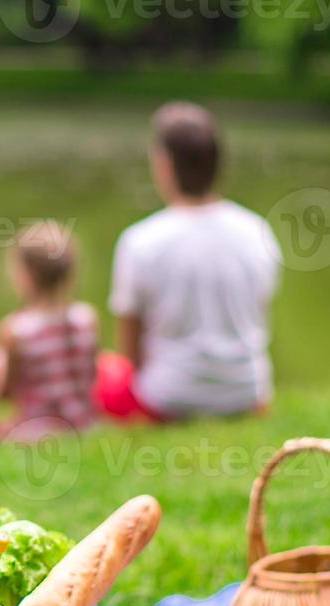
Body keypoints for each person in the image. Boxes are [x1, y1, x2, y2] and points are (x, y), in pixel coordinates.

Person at [99, 101, 281, 422]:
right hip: (247, 394)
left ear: (164, 165)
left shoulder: (140, 240)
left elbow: (130, 354)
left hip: (167, 400)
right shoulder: (258, 231)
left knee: (102, 371)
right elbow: (258, 317)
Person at [0, 221, 98, 433]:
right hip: (85, 424)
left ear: (25, 275)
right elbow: (91, 377)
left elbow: (4, 393)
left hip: (37, 428)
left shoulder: (15, 330)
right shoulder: (87, 318)